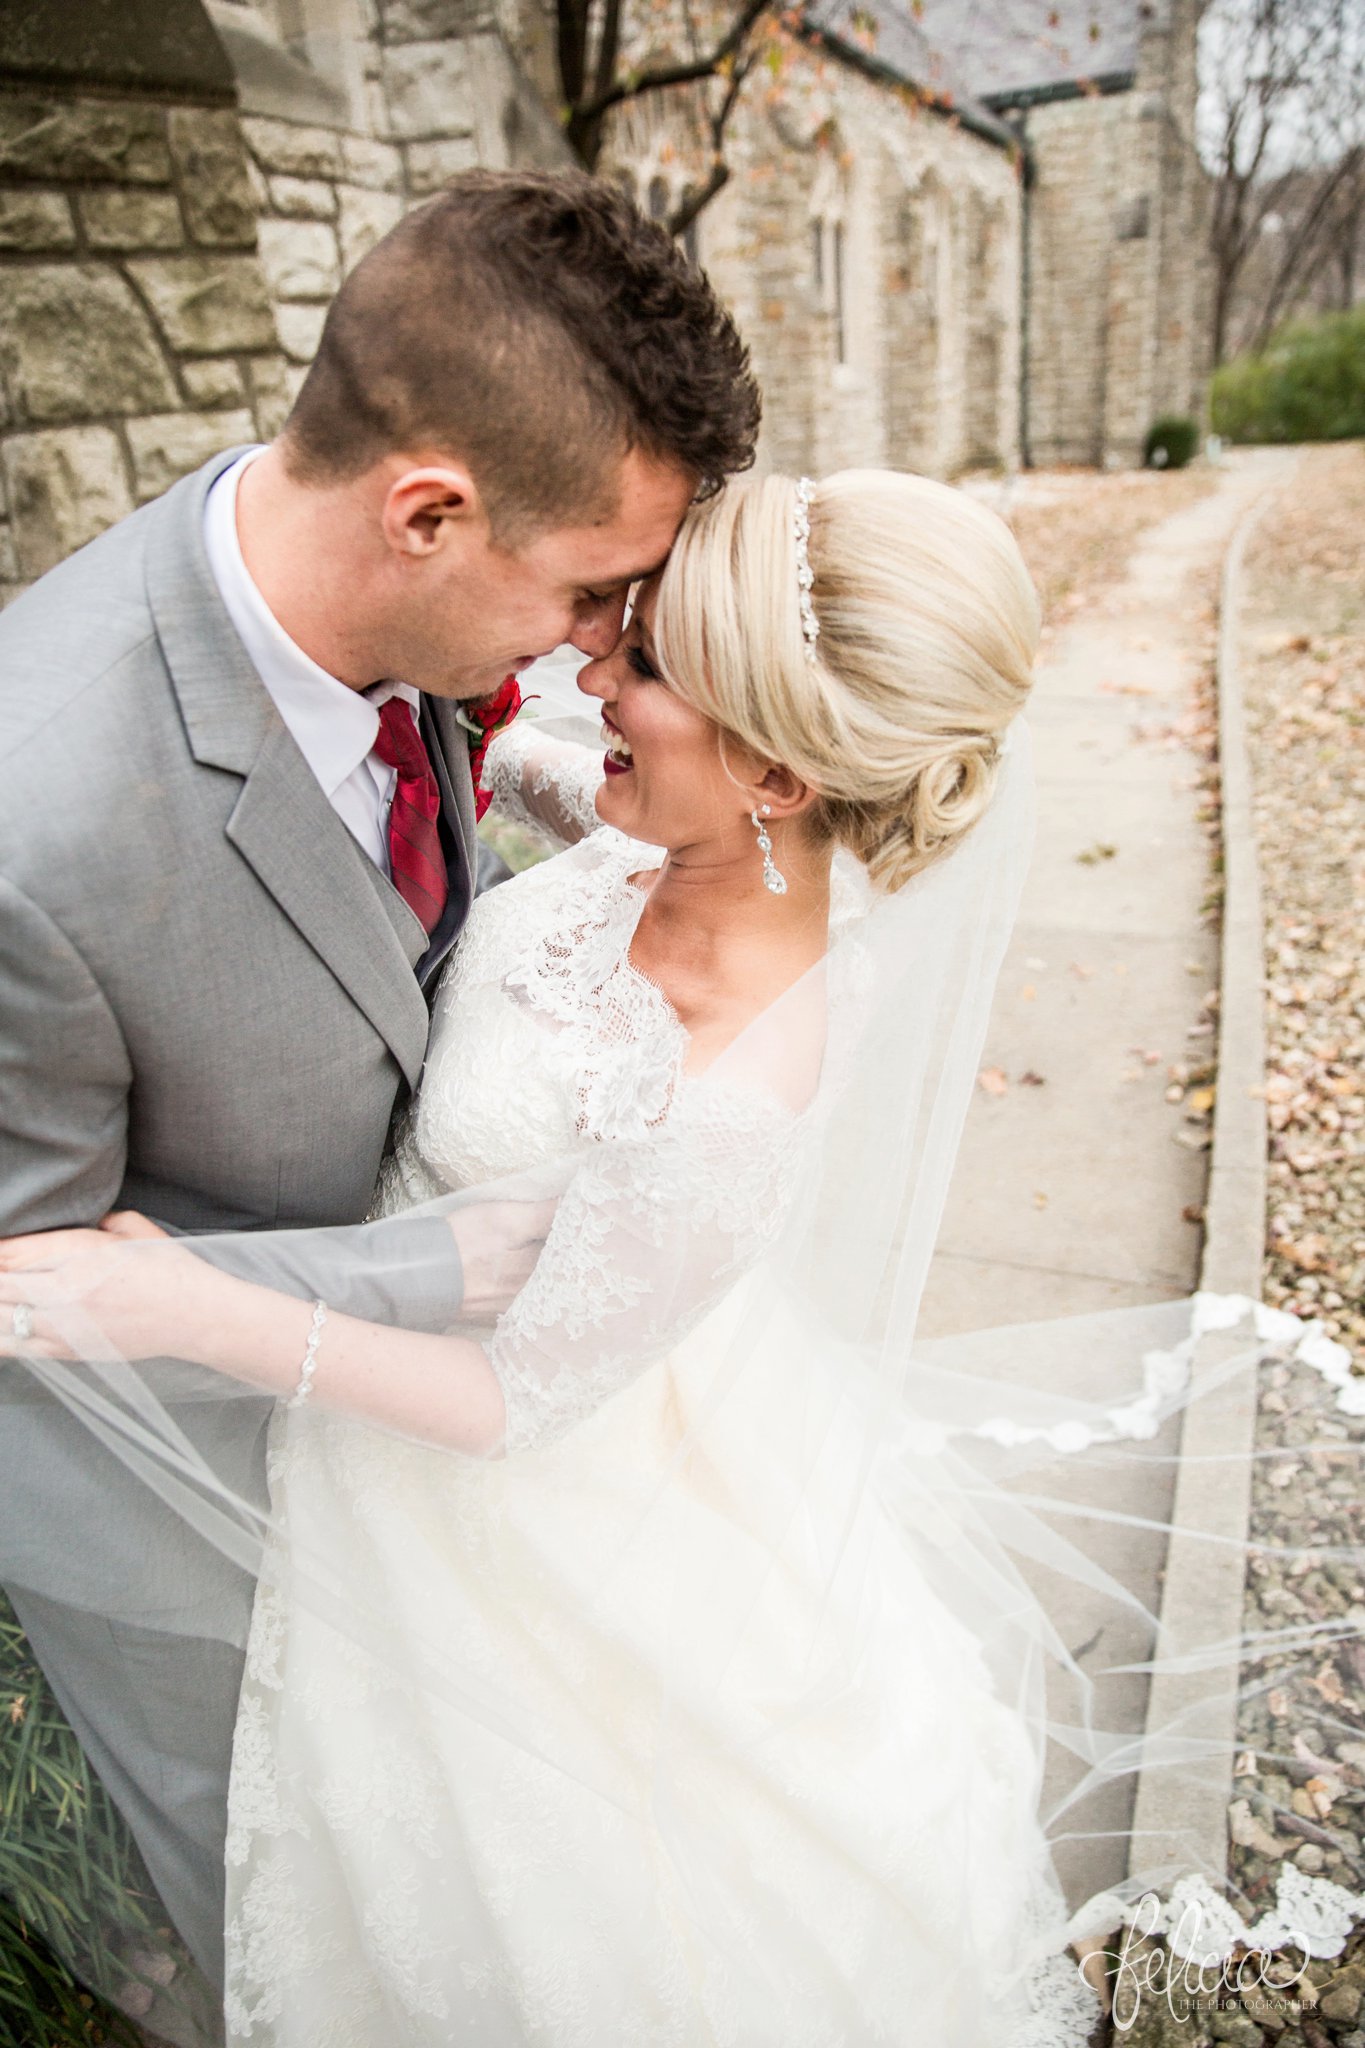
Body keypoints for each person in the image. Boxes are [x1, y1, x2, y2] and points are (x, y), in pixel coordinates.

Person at [1, 471, 1111, 2044]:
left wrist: (188, 1301)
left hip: (509, 1498)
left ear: (782, 773)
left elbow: (511, 1405)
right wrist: (439, 717)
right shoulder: (680, 829)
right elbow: (540, 778)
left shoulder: (739, 1087)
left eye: (644, 667)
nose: (594, 672)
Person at [0, 167, 759, 1986]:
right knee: (322, 1925)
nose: (596, 646)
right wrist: (424, 1274)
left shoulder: (373, 616)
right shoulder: (37, 831)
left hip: (422, 1451)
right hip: (192, 1509)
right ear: (428, 512)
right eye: (590, 589)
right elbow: (27, 1309)